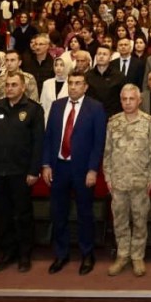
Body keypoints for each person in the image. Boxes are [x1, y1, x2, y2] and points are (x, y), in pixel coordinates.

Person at [42, 71, 107, 274]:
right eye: (71, 83)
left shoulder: (95, 108)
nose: (73, 87)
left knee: (84, 213)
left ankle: (87, 254)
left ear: (85, 87)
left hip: (82, 169)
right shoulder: (57, 105)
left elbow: (99, 142)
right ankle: (61, 254)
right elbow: (49, 137)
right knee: (58, 213)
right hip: (59, 167)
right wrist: (46, 164)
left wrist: (93, 169)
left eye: (78, 83)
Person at [0, 72, 46, 272]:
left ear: (23, 87)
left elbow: (38, 143)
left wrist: (34, 170)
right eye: (7, 85)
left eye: (14, 85)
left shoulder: (33, 110)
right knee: (3, 215)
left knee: (23, 215)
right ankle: (7, 252)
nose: (10, 88)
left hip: (22, 172)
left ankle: (25, 254)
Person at [104, 84, 151, 276]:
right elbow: (107, 152)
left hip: (140, 181)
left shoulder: (149, 122)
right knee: (120, 221)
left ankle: (137, 256)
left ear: (139, 100)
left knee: (140, 220)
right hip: (118, 181)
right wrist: (108, 177)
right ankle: (122, 255)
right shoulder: (113, 122)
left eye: (131, 99)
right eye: (124, 99)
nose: (128, 103)